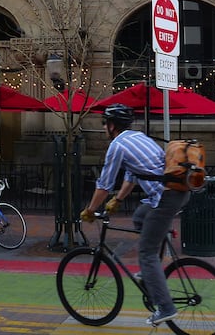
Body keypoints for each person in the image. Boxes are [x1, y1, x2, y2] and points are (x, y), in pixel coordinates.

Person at [79, 103, 189, 326]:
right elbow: (132, 174)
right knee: (139, 216)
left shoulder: (117, 146)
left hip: (165, 198)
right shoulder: (138, 137)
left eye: (104, 124)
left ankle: (166, 307)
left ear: (112, 126)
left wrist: (90, 210)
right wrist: (118, 200)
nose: (103, 129)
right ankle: (152, 273)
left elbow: (104, 185)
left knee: (146, 253)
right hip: (175, 192)